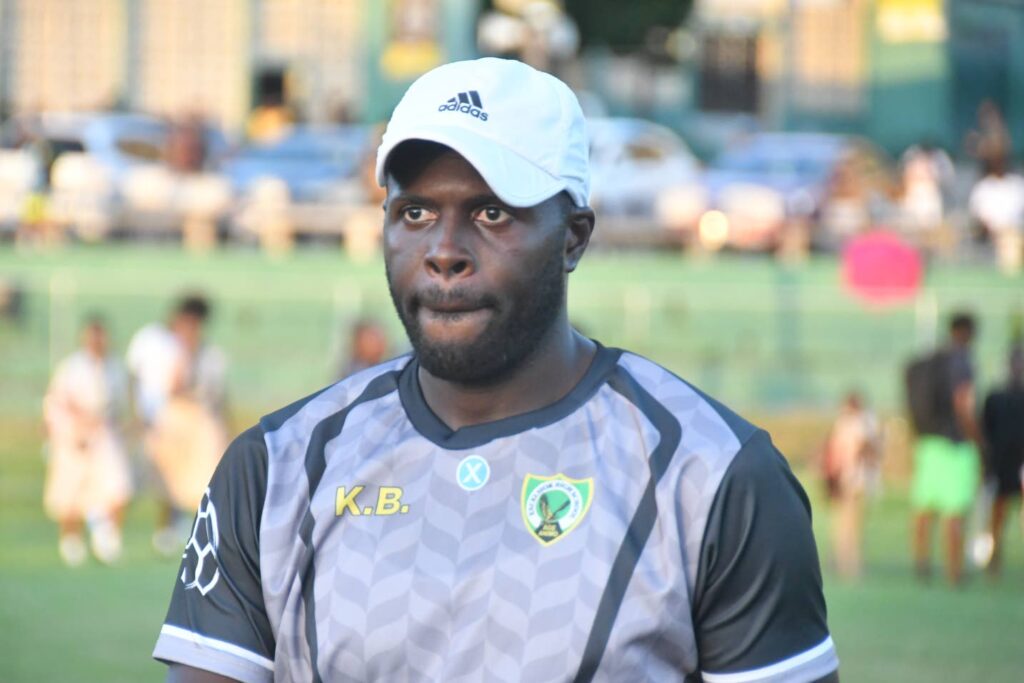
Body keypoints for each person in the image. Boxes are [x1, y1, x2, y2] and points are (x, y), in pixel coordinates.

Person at [154, 58, 838, 682]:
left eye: (491, 212)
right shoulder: (274, 470)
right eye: (415, 212)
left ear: (573, 238)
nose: (444, 250)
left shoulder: (714, 476)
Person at [127, 295, 228, 555]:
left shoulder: (208, 353)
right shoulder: (155, 340)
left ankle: (198, 528)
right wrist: (137, 412)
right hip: (166, 418)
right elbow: (142, 379)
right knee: (164, 476)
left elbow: (217, 393)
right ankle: (165, 527)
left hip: (196, 421)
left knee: (204, 476)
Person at [42, 315, 133, 565]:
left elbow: (121, 404)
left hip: (105, 435)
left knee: (117, 486)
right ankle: (71, 541)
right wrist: (70, 430)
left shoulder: (115, 368)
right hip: (74, 437)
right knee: (71, 492)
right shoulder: (72, 368)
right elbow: (57, 403)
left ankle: (108, 538)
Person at [907, 312, 983, 585]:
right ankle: (954, 569)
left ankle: (922, 561)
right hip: (954, 445)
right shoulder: (962, 361)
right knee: (955, 511)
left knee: (924, 508)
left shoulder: (930, 360)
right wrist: (977, 438)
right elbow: (963, 402)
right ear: (967, 332)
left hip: (927, 442)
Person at [822, 391, 881, 581]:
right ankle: (849, 565)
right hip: (852, 479)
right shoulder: (859, 423)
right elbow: (862, 448)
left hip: (850, 479)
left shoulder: (849, 423)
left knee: (846, 523)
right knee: (849, 524)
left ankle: (844, 562)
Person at [980, 344, 1024, 576]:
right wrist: (986, 465)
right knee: (998, 512)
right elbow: (986, 432)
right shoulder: (996, 397)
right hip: (1003, 463)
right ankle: (994, 554)